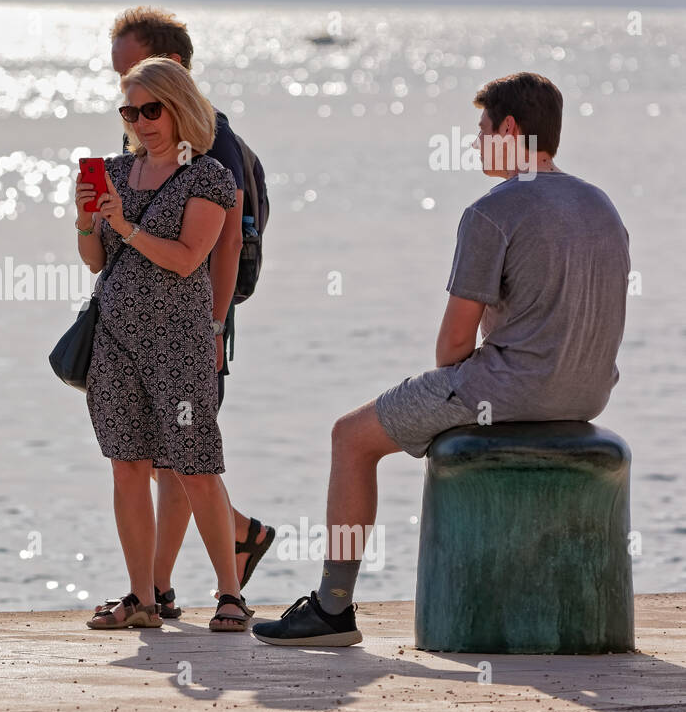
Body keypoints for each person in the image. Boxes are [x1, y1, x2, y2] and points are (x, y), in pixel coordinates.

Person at [253, 72, 631, 646]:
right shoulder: (601, 205)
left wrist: (463, 378)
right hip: (589, 392)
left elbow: (453, 346)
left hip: (507, 391)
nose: (476, 143)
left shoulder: (493, 211)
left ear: (509, 128)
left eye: (481, 130)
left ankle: (331, 610)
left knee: (350, 437)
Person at [96, 6, 275, 621]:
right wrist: (88, 219)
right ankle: (150, 594)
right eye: (128, 106)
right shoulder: (122, 168)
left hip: (187, 332)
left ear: (174, 85)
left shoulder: (211, 159)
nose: (139, 117)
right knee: (134, 465)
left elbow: (211, 251)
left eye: (150, 105)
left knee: (191, 462)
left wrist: (217, 326)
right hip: (119, 335)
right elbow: (98, 257)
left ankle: (225, 592)